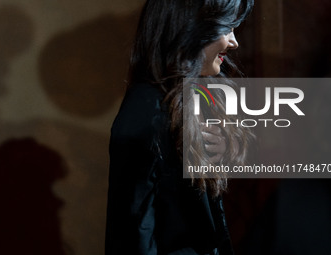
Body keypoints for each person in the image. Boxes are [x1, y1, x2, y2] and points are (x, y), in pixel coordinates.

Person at [105, 0, 254, 254]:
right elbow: (134, 230)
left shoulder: (197, 97)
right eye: (226, 28)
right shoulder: (146, 109)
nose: (234, 41)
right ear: (192, 26)